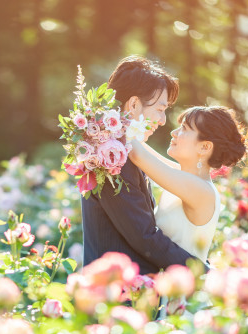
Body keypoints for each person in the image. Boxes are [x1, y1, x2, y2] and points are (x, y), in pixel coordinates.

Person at [81, 55, 194, 274]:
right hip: (114, 297)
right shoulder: (112, 161)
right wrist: (203, 271)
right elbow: (145, 238)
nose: (163, 120)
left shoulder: (125, 152)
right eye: (160, 109)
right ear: (133, 105)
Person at [128, 105, 248, 265]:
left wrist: (109, 121)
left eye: (184, 128)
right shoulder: (185, 176)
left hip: (181, 287)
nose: (174, 133)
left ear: (204, 147)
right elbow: (142, 149)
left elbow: (137, 154)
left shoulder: (201, 190)